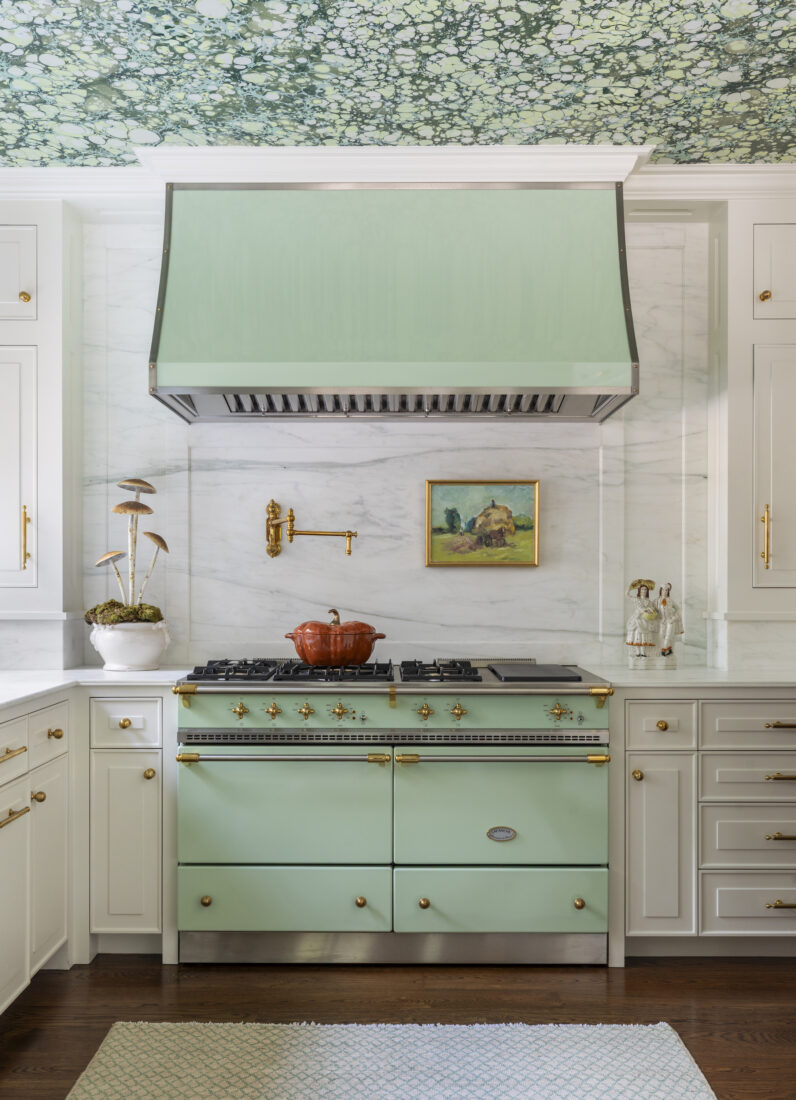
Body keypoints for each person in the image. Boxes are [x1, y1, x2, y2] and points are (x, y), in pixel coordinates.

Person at [625, 582, 660, 658]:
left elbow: (653, 609)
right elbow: (627, 594)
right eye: (642, 589)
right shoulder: (636, 599)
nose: (643, 591)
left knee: (644, 635)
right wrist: (630, 588)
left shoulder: (649, 601)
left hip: (645, 619)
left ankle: (643, 652)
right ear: (639, 591)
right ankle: (637, 652)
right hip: (637, 618)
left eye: (645, 590)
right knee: (637, 634)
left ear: (647, 591)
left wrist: (650, 610)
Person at [657, 582, 684, 657]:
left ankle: (663, 649)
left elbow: (678, 609)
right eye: (663, 590)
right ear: (660, 590)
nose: (664, 592)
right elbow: (655, 610)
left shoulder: (670, 601)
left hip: (670, 621)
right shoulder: (658, 600)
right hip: (662, 621)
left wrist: (674, 617)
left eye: (666, 590)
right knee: (662, 635)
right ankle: (669, 649)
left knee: (668, 635)